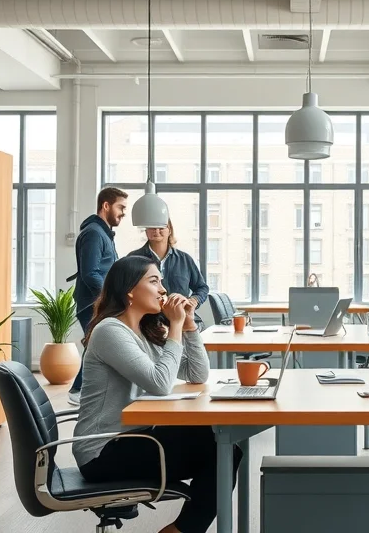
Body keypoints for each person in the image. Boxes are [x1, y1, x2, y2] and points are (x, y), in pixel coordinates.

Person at [72, 255, 241, 533]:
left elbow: (196, 374)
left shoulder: (143, 331)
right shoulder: (110, 331)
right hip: (101, 452)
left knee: (222, 447)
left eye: (162, 281)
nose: (163, 289)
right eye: (154, 281)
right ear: (129, 291)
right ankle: (183, 530)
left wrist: (188, 326)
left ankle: (182, 529)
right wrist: (174, 326)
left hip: (129, 440)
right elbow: (160, 383)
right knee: (222, 451)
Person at [68, 187, 128, 406]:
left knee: (98, 344)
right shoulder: (94, 233)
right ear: (106, 205)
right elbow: (90, 273)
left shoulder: (103, 233)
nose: (123, 213)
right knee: (95, 345)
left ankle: (95, 389)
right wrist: (111, 296)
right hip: (92, 304)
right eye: (121, 207)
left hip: (99, 302)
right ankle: (78, 390)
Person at [127, 219, 209, 331]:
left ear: (169, 230)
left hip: (181, 321)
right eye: (152, 227)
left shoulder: (185, 259)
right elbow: (125, 289)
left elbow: (202, 288)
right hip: (146, 324)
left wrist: (194, 300)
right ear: (146, 231)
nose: (156, 231)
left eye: (161, 227)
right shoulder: (133, 259)